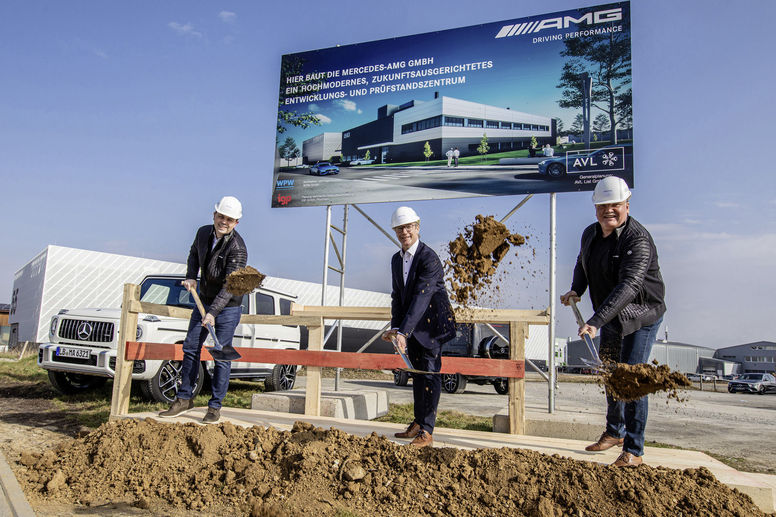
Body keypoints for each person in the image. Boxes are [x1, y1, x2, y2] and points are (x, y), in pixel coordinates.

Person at [560, 176, 666, 467]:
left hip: (641, 315)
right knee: (610, 373)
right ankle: (614, 432)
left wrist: (594, 321)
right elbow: (583, 262)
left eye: (615, 205)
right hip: (610, 314)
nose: (609, 210)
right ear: (596, 208)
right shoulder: (590, 234)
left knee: (631, 380)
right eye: (603, 205)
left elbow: (629, 287)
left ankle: (634, 450)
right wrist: (576, 289)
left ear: (627, 206)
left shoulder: (638, 240)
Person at [159, 196, 248, 423]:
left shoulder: (238, 249)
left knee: (221, 354)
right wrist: (191, 276)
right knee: (190, 347)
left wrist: (212, 313)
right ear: (214, 215)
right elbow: (193, 254)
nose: (224, 222)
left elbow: (230, 286)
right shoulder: (202, 233)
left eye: (229, 219)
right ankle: (184, 398)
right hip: (204, 300)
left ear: (236, 222)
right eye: (221, 216)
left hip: (227, 306)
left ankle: (215, 407)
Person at [382, 206, 455, 447]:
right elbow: (398, 296)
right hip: (411, 326)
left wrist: (405, 330)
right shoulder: (396, 260)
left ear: (418, 228)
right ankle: (418, 422)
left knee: (430, 374)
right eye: (400, 228)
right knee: (417, 374)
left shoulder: (429, 258)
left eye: (408, 227)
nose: (404, 232)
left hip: (433, 325)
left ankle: (427, 431)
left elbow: (422, 296)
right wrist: (396, 328)